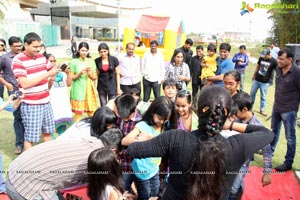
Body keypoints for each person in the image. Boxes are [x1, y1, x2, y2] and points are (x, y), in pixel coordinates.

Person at [126, 86, 274, 200]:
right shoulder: (236, 146)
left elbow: (132, 150)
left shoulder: (175, 139)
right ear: (227, 114)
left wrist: (144, 138)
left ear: (196, 109)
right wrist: (230, 125)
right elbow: (267, 134)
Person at [5, 129, 123, 200]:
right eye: (118, 157)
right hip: (25, 186)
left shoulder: (88, 140)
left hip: (15, 171)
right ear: (113, 151)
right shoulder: (95, 160)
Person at [11, 32, 61, 150]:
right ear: (26, 45)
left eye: (40, 46)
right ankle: (29, 165)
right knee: (30, 138)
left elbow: (51, 69)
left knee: (48, 133)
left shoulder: (41, 57)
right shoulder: (18, 60)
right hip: (31, 104)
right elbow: (24, 83)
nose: (38, 49)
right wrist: (47, 74)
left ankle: (47, 158)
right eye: (35, 47)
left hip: (46, 102)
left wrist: (60, 67)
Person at [122, 96, 174, 200]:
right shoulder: (143, 126)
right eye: (159, 118)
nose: (162, 121)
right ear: (152, 112)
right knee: (145, 196)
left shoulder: (164, 127)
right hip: (142, 171)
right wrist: (143, 139)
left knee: (155, 194)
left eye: (165, 119)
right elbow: (125, 141)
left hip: (154, 169)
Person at [228, 91, 272, 200]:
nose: (233, 114)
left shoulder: (257, 127)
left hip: (243, 163)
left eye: (235, 111)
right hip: (229, 159)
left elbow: (267, 150)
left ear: (245, 110)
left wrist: (267, 173)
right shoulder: (235, 118)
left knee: (233, 189)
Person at [270, 48, 300, 172]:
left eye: (282, 59)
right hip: (277, 107)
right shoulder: (278, 68)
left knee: (290, 137)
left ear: (290, 59)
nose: (279, 61)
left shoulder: (297, 72)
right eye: (279, 58)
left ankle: (288, 163)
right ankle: (269, 152)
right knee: (274, 132)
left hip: (289, 110)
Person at [0, 36, 24, 154]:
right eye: (16, 46)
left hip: (27, 90)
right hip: (14, 91)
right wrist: (7, 84)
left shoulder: (25, 56)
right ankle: (19, 144)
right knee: (18, 117)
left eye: (20, 45)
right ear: (10, 46)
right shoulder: (4, 58)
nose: (19, 48)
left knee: (28, 116)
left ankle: (28, 141)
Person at [69, 41, 98, 122]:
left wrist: (89, 73)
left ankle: (92, 129)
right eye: (82, 50)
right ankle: (75, 129)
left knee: (91, 112)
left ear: (88, 51)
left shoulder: (91, 61)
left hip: (89, 90)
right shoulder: (74, 61)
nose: (84, 52)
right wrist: (80, 73)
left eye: (86, 50)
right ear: (78, 50)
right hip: (78, 90)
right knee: (78, 113)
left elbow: (94, 77)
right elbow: (72, 78)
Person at [48, 54, 73, 138]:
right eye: (50, 61)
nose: (53, 63)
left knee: (63, 123)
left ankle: (61, 140)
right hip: (52, 102)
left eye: (54, 61)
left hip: (63, 101)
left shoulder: (62, 74)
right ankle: (51, 140)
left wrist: (69, 73)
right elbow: (48, 87)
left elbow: (69, 84)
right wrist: (53, 75)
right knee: (51, 124)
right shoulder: (46, 74)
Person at [249, 48, 277, 117]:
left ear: (269, 54)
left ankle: (262, 109)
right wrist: (254, 75)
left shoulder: (273, 61)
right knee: (252, 94)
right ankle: (250, 107)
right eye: (263, 55)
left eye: (265, 55)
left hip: (265, 82)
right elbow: (258, 66)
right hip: (257, 79)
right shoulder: (261, 58)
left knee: (263, 96)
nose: (264, 57)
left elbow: (277, 71)